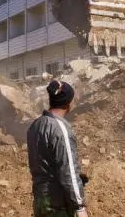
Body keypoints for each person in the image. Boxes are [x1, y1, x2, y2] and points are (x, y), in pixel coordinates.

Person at [26, 79, 89, 217]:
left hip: (41, 200)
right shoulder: (60, 129)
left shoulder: (35, 125)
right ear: (68, 104)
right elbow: (68, 171)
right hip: (57, 203)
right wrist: (79, 207)